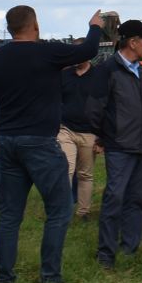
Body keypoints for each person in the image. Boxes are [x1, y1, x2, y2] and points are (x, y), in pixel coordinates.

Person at [0, 6, 105, 283]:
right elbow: (89, 50)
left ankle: (5, 277)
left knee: (10, 214)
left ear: (9, 28)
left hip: (9, 143)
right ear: (34, 25)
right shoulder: (46, 52)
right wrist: (94, 26)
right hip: (41, 142)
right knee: (58, 210)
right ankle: (50, 276)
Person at [95, 21, 142, 270]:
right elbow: (97, 107)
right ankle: (105, 254)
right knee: (114, 198)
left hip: (141, 144)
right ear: (133, 42)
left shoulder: (141, 71)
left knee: (136, 199)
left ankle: (130, 248)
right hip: (119, 145)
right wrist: (102, 138)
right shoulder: (108, 69)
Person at [58, 58, 104, 220]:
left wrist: (101, 137)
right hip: (66, 130)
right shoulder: (64, 75)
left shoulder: (98, 75)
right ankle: (63, 211)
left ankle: (83, 212)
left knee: (85, 174)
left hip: (89, 132)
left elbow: (104, 104)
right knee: (66, 170)